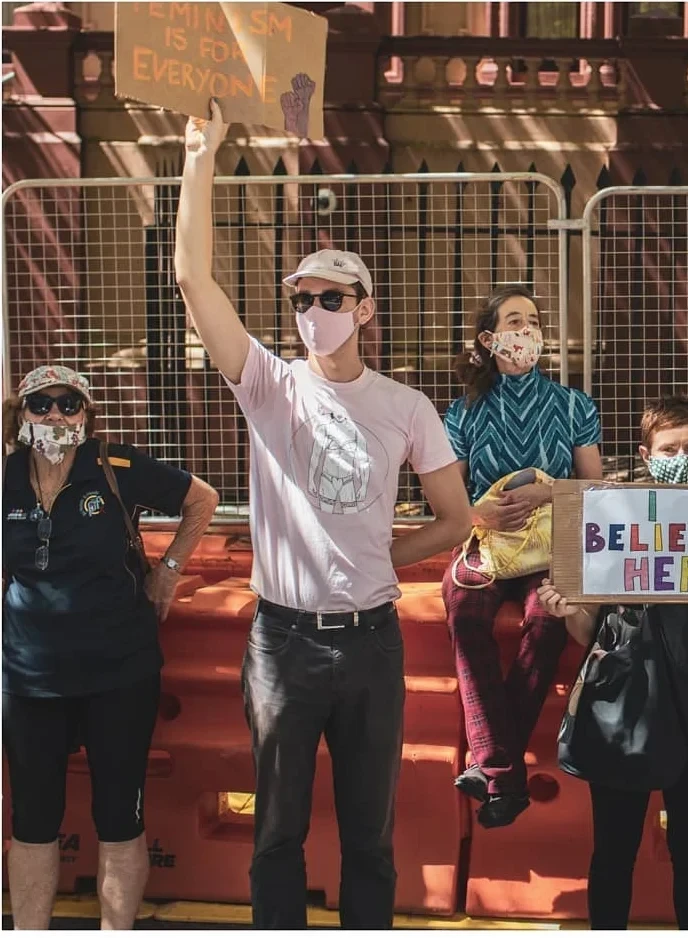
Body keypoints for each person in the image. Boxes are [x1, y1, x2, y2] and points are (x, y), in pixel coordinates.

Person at [175, 100, 473, 928]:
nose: (314, 310)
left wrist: (382, 551)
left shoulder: (408, 407)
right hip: (281, 640)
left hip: (371, 641)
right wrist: (200, 158)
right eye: (303, 296)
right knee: (276, 832)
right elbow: (194, 281)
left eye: (332, 296)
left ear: (365, 308)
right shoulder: (271, 385)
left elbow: (455, 519)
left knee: (369, 837)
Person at [537, 394, 688, 928]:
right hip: (622, 713)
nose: (682, 456)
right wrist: (567, 610)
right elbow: (586, 630)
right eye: (669, 448)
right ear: (647, 456)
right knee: (614, 853)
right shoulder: (613, 516)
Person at [2, 365, 219, 930]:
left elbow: (203, 499)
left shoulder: (115, 466)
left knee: (118, 817)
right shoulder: (5, 478)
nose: (54, 416)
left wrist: (170, 571)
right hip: (26, 679)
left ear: (87, 415)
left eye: (68, 405)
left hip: (118, 672)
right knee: (31, 821)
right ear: (20, 417)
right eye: (40, 406)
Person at [443, 284, 604, 828]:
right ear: (489, 340)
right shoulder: (462, 414)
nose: (527, 332)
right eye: (514, 322)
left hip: (550, 546)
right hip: (485, 545)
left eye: (533, 321)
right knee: (466, 617)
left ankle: (490, 767)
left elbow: (594, 489)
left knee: (547, 617)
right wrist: (481, 515)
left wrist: (547, 492)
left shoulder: (574, 404)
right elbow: (447, 499)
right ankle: (503, 772)